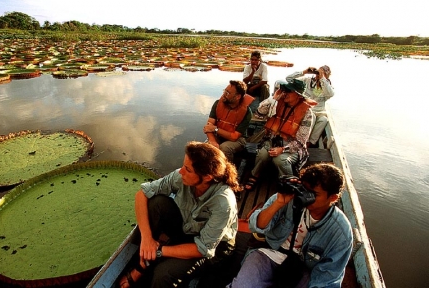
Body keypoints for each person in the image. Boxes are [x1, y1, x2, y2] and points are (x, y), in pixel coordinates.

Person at [119, 141, 240, 288]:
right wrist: (147, 238)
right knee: (157, 203)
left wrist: (158, 251)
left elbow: (203, 249)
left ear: (207, 177)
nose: (181, 171)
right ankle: (141, 262)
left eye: (188, 169)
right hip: (186, 226)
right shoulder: (180, 177)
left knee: (163, 274)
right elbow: (141, 194)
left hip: (213, 248)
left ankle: (148, 261)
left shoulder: (223, 203)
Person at [229, 163, 353, 288]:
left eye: (314, 194)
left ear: (333, 198)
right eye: (304, 189)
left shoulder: (341, 232)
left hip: (305, 268)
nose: (305, 196)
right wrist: (278, 203)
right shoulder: (289, 198)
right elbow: (256, 226)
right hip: (270, 252)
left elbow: (328, 277)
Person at [244, 79, 315, 191]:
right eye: (284, 90)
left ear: (298, 95)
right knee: (262, 154)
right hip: (271, 141)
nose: (284, 93)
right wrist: (273, 98)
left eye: (288, 91)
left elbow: (301, 141)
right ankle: (255, 174)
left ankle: (288, 181)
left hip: (292, 147)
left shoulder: (307, 113)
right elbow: (259, 113)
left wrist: (283, 149)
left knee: (280, 159)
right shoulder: (277, 103)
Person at [203, 80, 253, 162]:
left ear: (237, 97)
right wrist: (212, 141)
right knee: (206, 147)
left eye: (228, 93)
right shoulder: (217, 104)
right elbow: (209, 126)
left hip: (238, 140)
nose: (224, 95)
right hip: (218, 135)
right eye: (224, 91)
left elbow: (234, 137)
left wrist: (215, 129)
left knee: (224, 148)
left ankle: (227, 172)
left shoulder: (247, 112)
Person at [286, 65, 334, 148]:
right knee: (312, 117)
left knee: (324, 120)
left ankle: (310, 142)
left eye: (322, 74)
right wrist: (305, 71)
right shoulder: (307, 81)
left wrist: (322, 79)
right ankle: (304, 140)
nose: (318, 75)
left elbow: (331, 94)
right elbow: (289, 79)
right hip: (306, 109)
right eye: (318, 73)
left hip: (319, 111)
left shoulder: (327, 86)